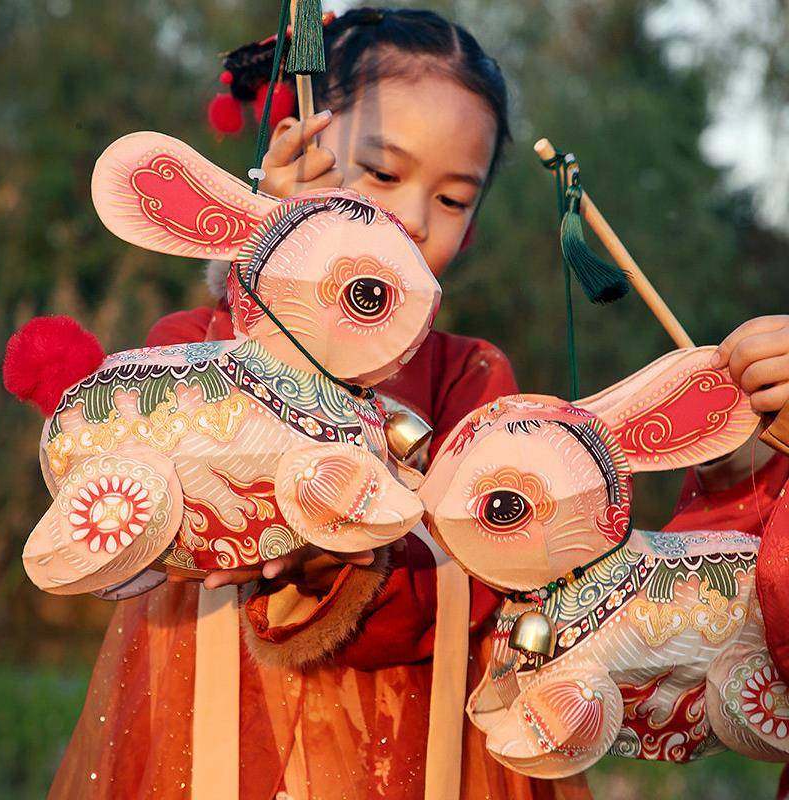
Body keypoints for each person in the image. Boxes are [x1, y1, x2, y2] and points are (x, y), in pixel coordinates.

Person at [49, 7, 789, 798]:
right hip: (223, 732)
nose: (409, 217)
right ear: (295, 156)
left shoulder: (473, 378)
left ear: (470, 229)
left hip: (428, 742)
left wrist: (354, 559)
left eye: (452, 198)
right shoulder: (198, 338)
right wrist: (271, 255)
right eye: (380, 174)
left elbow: (504, 575)